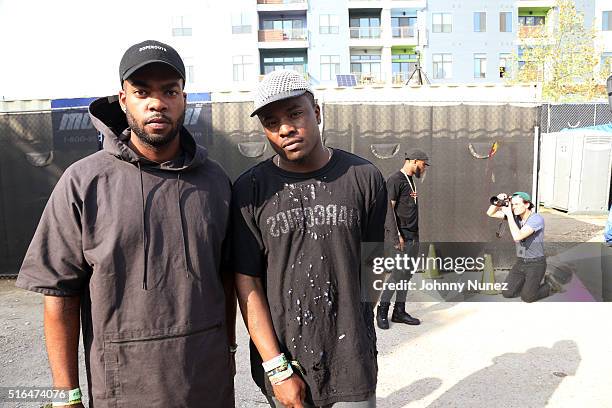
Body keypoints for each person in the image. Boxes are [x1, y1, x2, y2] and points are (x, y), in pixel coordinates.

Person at [15, 40, 235, 407]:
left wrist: (228, 347)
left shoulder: (215, 181)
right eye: (142, 91)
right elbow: (59, 296)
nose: (156, 103)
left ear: (184, 99)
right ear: (122, 100)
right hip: (123, 387)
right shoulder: (83, 182)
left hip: (207, 383)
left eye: (169, 91)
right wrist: (65, 395)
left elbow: (229, 279)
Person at [232, 70, 387, 408]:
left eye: (294, 114)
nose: (285, 128)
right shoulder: (250, 190)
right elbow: (247, 282)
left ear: (316, 112)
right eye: (272, 122)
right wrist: (276, 369)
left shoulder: (364, 178)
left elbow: (375, 264)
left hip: (352, 364)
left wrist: (353, 321)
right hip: (287, 366)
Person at [376, 149, 429, 329]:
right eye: (423, 163)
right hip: (401, 238)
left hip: (413, 237)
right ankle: (382, 310)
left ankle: (399, 311)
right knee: (398, 275)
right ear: (414, 161)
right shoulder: (395, 180)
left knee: (406, 275)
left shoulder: (411, 181)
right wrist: (396, 236)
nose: (424, 167)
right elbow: (388, 210)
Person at [486, 192, 561, 302]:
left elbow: (518, 236)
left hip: (536, 264)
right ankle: (528, 284)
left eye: (516, 204)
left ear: (526, 204)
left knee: (527, 297)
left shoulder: (536, 219)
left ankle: (548, 285)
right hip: (521, 262)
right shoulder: (515, 216)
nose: (513, 207)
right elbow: (490, 213)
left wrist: (510, 215)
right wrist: (497, 200)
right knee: (507, 292)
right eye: (512, 204)